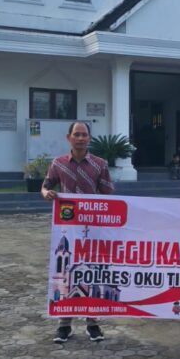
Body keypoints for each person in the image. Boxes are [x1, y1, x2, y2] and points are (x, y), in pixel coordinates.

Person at [42, 121, 114, 344]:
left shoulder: (100, 165)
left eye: (84, 135)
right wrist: (46, 193)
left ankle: (93, 324)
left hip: (93, 230)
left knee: (91, 274)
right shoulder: (59, 163)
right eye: (76, 134)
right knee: (65, 274)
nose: (80, 138)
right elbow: (45, 185)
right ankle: (64, 324)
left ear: (89, 138)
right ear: (69, 138)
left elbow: (109, 194)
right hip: (67, 231)